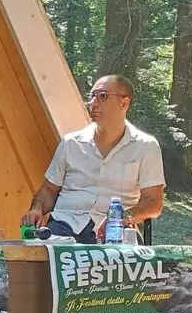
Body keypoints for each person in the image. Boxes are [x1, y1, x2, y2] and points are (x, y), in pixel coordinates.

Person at [21, 74, 164, 243]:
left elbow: (154, 203)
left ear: (124, 103)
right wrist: (37, 208)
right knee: (38, 253)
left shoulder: (146, 146)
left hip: (116, 230)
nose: (93, 103)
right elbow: (48, 190)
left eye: (102, 96)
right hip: (64, 224)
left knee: (125, 261)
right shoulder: (71, 143)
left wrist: (122, 218)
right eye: (92, 96)